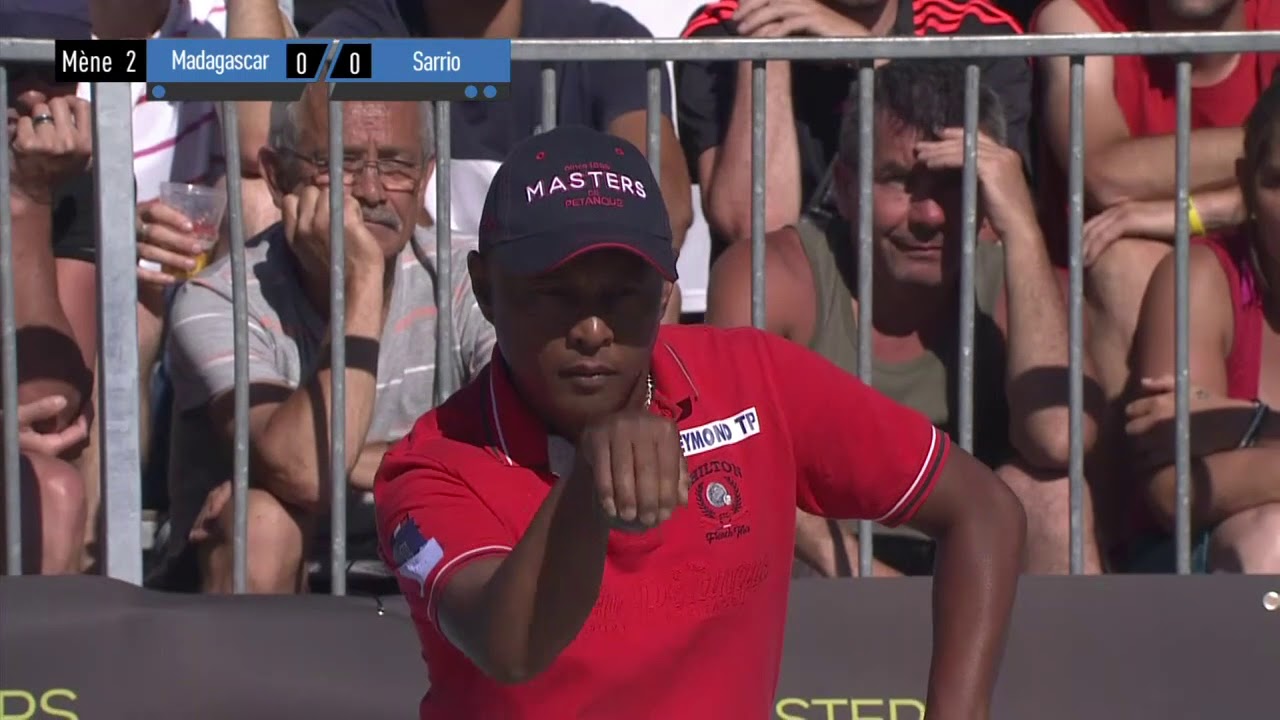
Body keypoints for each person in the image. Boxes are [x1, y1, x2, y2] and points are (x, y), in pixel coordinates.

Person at [374, 125, 1025, 717]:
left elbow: (984, 509)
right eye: (553, 294)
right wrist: (589, 489)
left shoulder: (755, 378)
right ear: (485, 289)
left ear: (664, 292)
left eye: (622, 294)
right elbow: (509, 648)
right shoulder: (429, 466)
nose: (593, 329)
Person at [705, 60, 1101, 576]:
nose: (930, 215)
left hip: (969, 562)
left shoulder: (1022, 285)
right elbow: (727, 462)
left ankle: (1057, 661)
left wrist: (1022, 226)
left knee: (1054, 495)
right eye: (898, 181)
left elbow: (1060, 438)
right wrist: (862, 572)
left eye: (955, 183)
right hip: (820, 559)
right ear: (845, 189)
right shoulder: (776, 277)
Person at [159, 86, 495, 592]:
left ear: (427, 175)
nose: (373, 191)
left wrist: (349, 463)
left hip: (435, 563)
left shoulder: (469, 278)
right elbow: (308, 473)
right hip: (274, 578)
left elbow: (514, 443)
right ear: (276, 178)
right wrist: (359, 283)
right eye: (341, 163)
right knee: (262, 523)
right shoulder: (217, 298)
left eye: (397, 166)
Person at [1032, 0, 1280, 560]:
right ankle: (1127, 552)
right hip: (1171, 308)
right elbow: (1103, 171)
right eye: (1276, 182)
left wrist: (1202, 209)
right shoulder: (1080, 18)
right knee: (1122, 257)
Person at [675, 0, 1031, 250]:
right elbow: (754, 230)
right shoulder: (723, 29)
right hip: (791, 306)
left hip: (932, 306)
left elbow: (987, 223)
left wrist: (873, 54)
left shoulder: (979, 30)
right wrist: (770, 46)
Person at [1124, 78, 1280, 573]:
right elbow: (1175, 492)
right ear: (1247, 186)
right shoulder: (1204, 278)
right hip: (1205, 564)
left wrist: (1248, 429)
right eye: (1279, 182)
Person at [1, 0, 96, 574]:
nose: (37, 98)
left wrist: (30, 200)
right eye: (15, 67)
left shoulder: (76, 174)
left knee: (53, 494)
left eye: (57, 70)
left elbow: (51, 403)